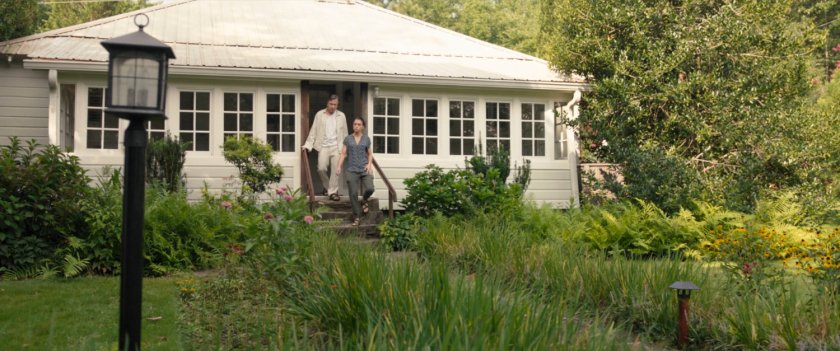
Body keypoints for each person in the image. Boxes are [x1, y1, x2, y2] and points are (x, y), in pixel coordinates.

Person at [302, 94, 348, 201]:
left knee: (336, 171)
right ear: (327, 103)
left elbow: (345, 133)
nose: (333, 106)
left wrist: (345, 148)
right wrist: (308, 145)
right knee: (321, 168)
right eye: (331, 104)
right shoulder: (320, 114)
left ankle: (332, 192)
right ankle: (328, 187)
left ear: (338, 104)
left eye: (335, 105)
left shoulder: (341, 116)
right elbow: (313, 131)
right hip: (323, 146)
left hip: (337, 146)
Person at [337, 117, 374, 226]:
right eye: (355, 124)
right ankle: (357, 216)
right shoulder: (347, 139)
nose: (356, 126)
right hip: (351, 170)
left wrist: (369, 164)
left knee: (370, 188)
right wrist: (339, 166)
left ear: (362, 126)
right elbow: (343, 154)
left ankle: (364, 200)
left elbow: (369, 154)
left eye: (359, 124)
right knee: (353, 193)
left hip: (364, 168)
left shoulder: (366, 139)